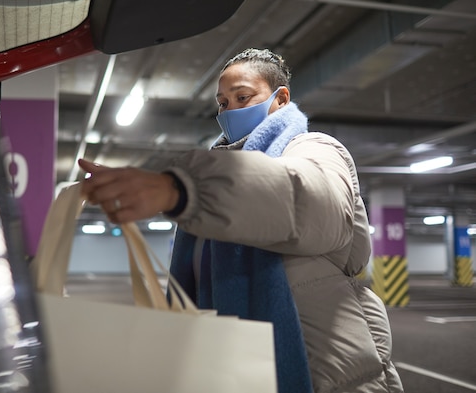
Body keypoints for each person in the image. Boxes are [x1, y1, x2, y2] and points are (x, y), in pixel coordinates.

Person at [79, 48, 404, 393]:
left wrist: (181, 190)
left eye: (243, 97)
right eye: (222, 103)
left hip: (329, 376)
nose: (230, 110)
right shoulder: (213, 179)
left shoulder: (315, 148)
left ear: (280, 98)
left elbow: (303, 199)